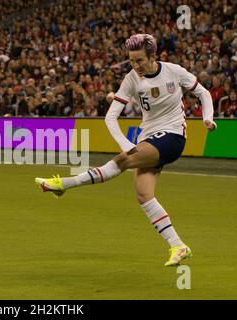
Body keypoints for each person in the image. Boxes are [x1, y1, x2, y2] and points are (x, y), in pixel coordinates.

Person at [35, 34, 217, 267]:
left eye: (140, 60)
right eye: (131, 60)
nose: (136, 66)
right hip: (148, 137)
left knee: (122, 161)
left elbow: (203, 92)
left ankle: (63, 185)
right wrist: (126, 144)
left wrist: (207, 119)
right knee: (143, 195)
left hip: (173, 136)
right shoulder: (132, 78)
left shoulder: (173, 71)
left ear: (153, 56)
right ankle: (179, 245)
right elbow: (111, 117)